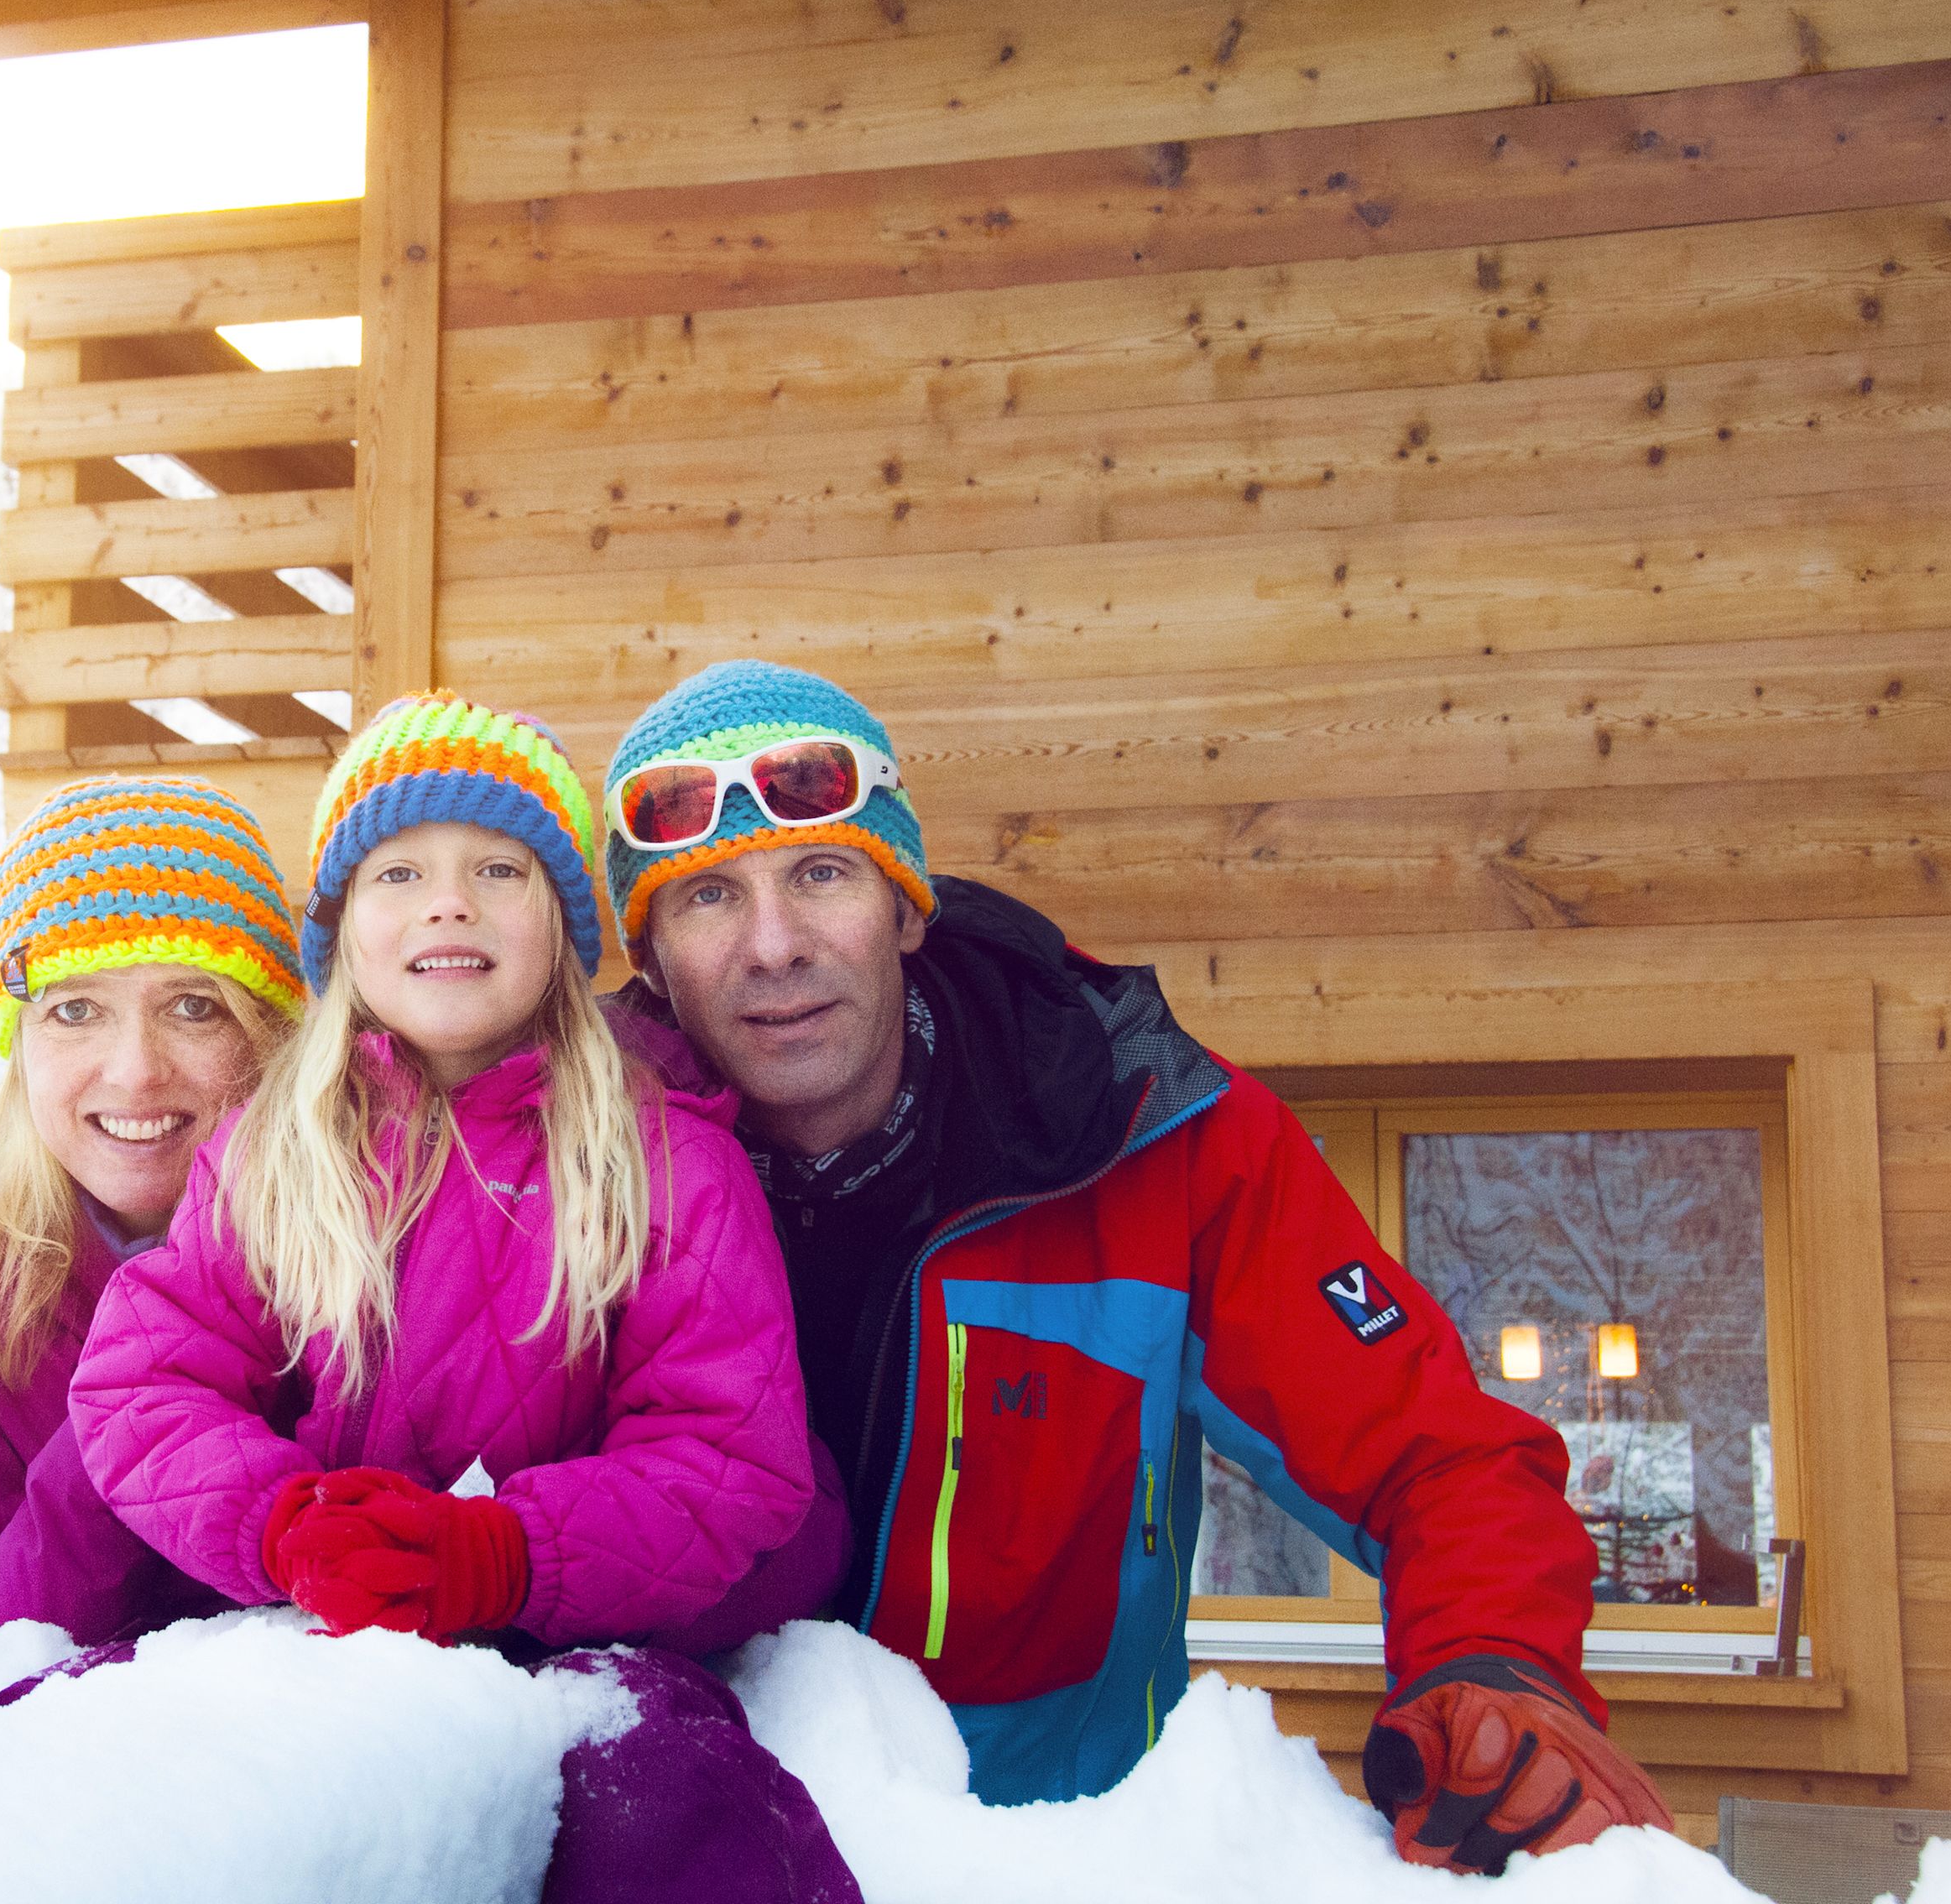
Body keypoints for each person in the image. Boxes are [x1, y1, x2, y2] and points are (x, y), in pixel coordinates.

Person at [598, 660, 1675, 1875]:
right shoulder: (557, 1184)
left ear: (907, 908)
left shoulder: (1152, 1139)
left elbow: (1443, 1460)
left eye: (823, 874)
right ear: (649, 958)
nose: (775, 947)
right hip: (674, 1867)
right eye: (706, 900)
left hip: (1046, 1866)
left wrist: (1497, 1663)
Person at [72, 691, 859, 1904]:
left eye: (498, 867)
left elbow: (731, 1457)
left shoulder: (664, 1161)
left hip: (589, 1645)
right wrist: (282, 1526)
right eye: (398, 873)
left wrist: (503, 1555)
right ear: (343, 933)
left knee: (663, 1808)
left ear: (561, 927)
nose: (448, 902)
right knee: (99, 1767)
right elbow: (145, 1381)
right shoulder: (275, 1151)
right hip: (316, 1629)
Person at [0, 775, 305, 1645]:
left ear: (269, 1036)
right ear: (19, 1051)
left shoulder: (369, 1269)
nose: (134, 1069)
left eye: (193, 1007)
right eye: (76, 1010)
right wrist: (128, 1422)